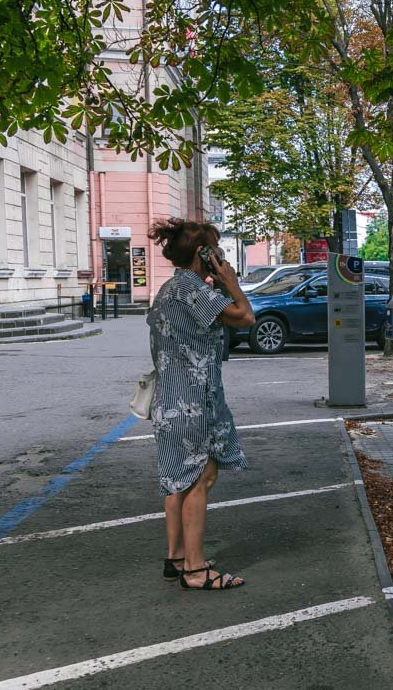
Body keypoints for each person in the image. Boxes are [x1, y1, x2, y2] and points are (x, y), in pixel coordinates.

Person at [147, 218, 256, 590]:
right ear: (203, 253)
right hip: (193, 402)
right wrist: (231, 283)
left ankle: (177, 557)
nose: (221, 256)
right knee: (201, 478)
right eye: (216, 250)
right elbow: (246, 317)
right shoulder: (193, 291)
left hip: (169, 402)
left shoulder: (170, 289)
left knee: (178, 479)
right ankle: (195, 570)